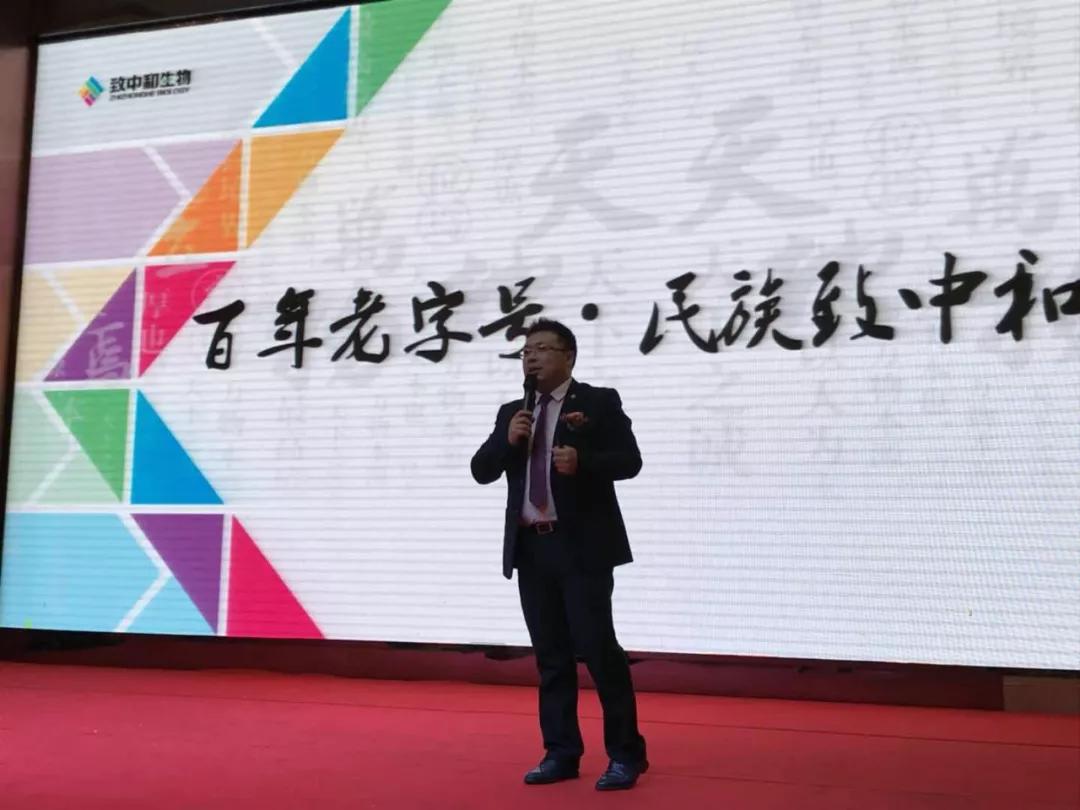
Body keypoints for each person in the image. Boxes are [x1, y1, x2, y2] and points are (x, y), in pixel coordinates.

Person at [470, 318, 648, 791]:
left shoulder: (598, 402)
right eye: (526, 350)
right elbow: (481, 470)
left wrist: (583, 462)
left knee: (598, 650)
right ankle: (561, 753)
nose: (531, 356)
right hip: (532, 548)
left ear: (568, 356)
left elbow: (630, 461)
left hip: (582, 548)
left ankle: (626, 755)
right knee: (550, 656)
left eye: (543, 348)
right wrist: (507, 440)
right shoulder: (513, 412)